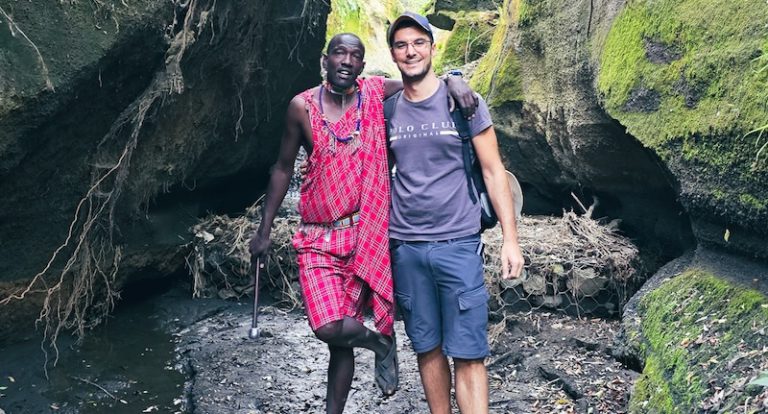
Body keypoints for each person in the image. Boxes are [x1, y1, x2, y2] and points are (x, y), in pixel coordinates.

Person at [248, 33, 477, 414]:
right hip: (318, 237)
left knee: (341, 342)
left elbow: (419, 81)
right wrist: (263, 230)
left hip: (363, 234)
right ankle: (380, 343)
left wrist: (453, 78)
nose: (346, 61)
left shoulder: (373, 94)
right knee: (328, 327)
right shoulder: (302, 107)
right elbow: (283, 168)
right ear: (325, 60)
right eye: (339, 53)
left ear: (362, 66)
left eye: (355, 55)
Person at [385, 12, 525, 414]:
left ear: (432, 47)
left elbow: (493, 171)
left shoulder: (464, 103)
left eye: (418, 43)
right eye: (401, 45)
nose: (411, 51)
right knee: (427, 348)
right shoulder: (387, 110)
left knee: (469, 353)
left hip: (459, 244)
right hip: (407, 247)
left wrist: (511, 240)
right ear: (393, 54)